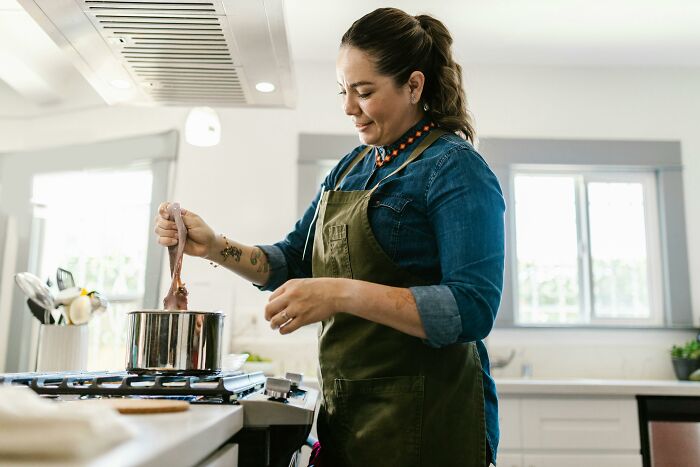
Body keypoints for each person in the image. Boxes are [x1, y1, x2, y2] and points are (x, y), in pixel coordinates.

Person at [155, 7, 505, 467]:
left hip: (430, 422)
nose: (348, 108)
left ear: (414, 86)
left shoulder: (455, 167)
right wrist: (214, 245)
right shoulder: (350, 168)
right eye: (343, 90)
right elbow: (290, 261)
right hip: (350, 418)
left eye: (364, 92)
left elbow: (472, 308)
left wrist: (340, 293)